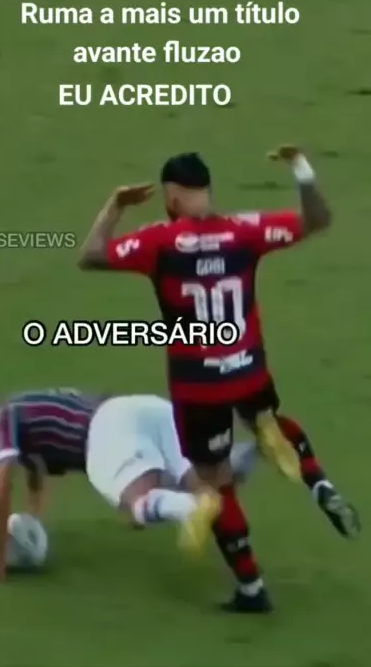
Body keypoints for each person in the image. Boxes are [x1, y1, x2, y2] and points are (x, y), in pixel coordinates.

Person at [77, 145, 360, 613]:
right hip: (248, 368)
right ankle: (313, 479)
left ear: (171, 196)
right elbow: (318, 220)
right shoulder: (244, 230)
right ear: (207, 189)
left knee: (214, 484)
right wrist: (301, 168)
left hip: (198, 386)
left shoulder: (158, 241)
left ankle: (251, 588)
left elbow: (90, 256)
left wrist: (117, 205)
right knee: (266, 417)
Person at [0, 386, 256, 585]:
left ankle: (189, 508)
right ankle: (251, 451)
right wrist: (34, 517)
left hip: (103, 431)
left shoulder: (3, 419)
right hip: (138, 409)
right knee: (197, 477)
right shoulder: (25, 411)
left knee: (141, 506)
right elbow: (35, 472)